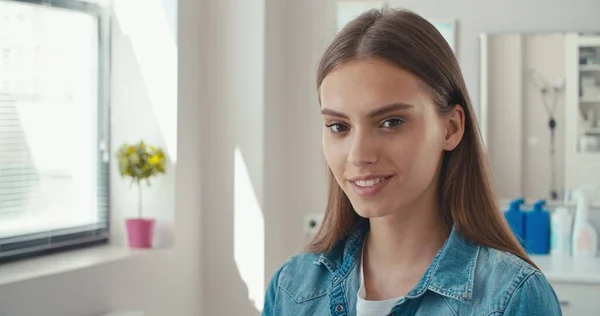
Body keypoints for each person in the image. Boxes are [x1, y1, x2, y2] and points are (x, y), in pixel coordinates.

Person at [263, 8, 561, 316]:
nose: (358, 155)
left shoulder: (512, 297)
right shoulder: (291, 288)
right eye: (339, 126)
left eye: (391, 122)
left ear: (451, 127)